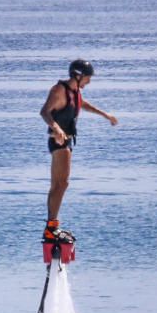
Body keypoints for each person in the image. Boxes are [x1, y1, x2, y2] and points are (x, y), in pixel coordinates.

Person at [39, 59, 119, 240]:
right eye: (87, 78)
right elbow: (45, 111)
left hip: (66, 141)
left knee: (59, 184)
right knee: (61, 184)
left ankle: (51, 227)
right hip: (58, 140)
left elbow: (83, 104)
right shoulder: (59, 90)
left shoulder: (75, 92)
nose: (89, 82)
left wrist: (105, 115)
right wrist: (57, 129)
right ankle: (51, 228)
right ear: (78, 75)